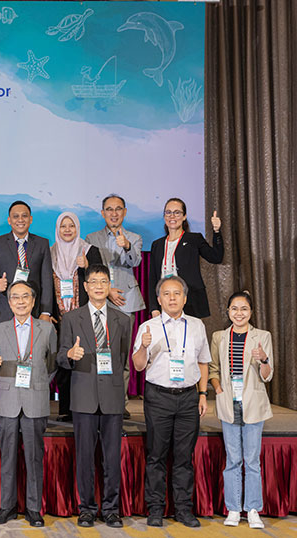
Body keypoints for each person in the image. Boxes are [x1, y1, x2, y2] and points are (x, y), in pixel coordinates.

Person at [132, 276, 210, 528]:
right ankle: (155, 508)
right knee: (156, 455)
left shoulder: (197, 325)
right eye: (167, 294)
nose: (172, 298)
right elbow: (138, 365)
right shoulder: (149, 326)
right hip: (159, 397)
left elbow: (203, 361)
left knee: (184, 456)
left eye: (177, 293)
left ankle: (184, 509)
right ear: (159, 299)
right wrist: (144, 347)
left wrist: (202, 394)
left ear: (185, 298)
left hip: (188, 397)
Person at [57, 264, 131, 529]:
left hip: (111, 398)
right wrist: (69, 356)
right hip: (84, 398)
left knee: (111, 457)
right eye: (94, 282)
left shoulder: (123, 320)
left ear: (109, 285)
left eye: (104, 281)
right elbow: (59, 357)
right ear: (85, 287)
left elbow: (123, 362)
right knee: (85, 457)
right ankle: (86, 508)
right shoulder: (71, 318)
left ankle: (111, 509)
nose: (99, 286)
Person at [0, 280, 57, 528]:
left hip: (35, 399)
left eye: (26, 297)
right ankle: (7, 506)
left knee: (35, 457)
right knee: (8, 456)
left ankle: (34, 509)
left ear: (34, 301)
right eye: (15, 297)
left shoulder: (46, 330)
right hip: (8, 401)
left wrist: (38, 383)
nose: (21, 301)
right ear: (9, 302)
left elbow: (53, 364)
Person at [208, 291, 273, 529]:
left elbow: (268, 376)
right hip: (228, 403)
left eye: (244, 309)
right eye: (234, 309)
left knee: (252, 460)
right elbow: (213, 368)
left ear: (251, 312)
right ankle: (234, 508)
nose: (239, 313)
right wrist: (218, 389)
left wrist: (264, 360)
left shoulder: (262, 336)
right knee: (233, 460)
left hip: (253, 404)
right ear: (228, 312)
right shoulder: (219, 337)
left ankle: (253, 508)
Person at [85, 194, 144, 419]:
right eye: (109, 209)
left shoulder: (134, 237)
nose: (114, 213)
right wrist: (106, 290)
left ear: (124, 212)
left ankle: (121, 402)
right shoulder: (92, 237)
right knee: (98, 351)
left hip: (125, 302)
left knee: (121, 355)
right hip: (100, 299)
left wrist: (126, 246)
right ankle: (98, 400)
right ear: (103, 213)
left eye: (118, 209)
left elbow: (134, 261)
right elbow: (90, 270)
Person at [50, 211, 103, 422]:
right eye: (63, 226)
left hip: (84, 317)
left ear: (78, 228)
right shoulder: (51, 252)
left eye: (71, 226)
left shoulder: (90, 251)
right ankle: (65, 409)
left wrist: (87, 266)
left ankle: (86, 406)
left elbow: (101, 278)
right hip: (60, 317)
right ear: (57, 229)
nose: (67, 230)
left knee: (84, 362)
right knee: (63, 361)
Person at [149, 198, 223, 318]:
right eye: (168, 212)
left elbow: (216, 257)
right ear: (164, 216)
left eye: (177, 212)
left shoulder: (194, 239)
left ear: (184, 216)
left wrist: (216, 231)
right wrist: (153, 308)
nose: (172, 216)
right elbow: (153, 278)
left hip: (190, 301)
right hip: (165, 301)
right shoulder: (157, 245)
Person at [0, 200, 53, 324]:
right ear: (9, 220)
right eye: (16, 216)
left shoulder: (42, 244)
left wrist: (45, 311)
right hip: (5, 309)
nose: (20, 220)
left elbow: (46, 280)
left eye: (24, 216)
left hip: (35, 310)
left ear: (30, 219)